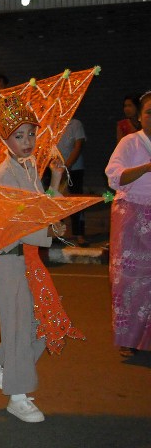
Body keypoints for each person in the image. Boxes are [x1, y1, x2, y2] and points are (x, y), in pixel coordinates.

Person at [0, 95, 65, 424]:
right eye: (19, 136)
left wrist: (53, 181)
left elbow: (40, 208)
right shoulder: (3, 176)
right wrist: (49, 231)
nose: (27, 142)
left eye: (31, 134)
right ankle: (18, 396)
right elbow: (20, 225)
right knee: (19, 326)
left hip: (26, 259)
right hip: (8, 259)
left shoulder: (28, 168)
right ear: (4, 140)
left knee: (44, 322)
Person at [105, 90, 151, 358]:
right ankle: (130, 338)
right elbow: (114, 177)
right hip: (131, 216)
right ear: (141, 116)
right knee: (129, 280)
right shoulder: (130, 143)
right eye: (148, 112)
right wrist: (145, 168)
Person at [56, 117, 87, 245]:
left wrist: (66, 167)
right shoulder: (53, 123)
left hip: (74, 169)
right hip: (55, 169)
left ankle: (79, 234)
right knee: (56, 201)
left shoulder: (75, 124)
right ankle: (57, 234)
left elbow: (77, 147)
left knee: (76, 201)